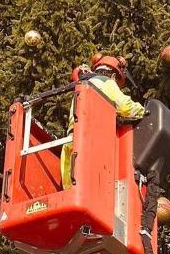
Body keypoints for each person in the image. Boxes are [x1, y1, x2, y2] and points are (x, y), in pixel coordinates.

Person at [60, 56, 145, 189]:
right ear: (113, 76)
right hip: (91, 142)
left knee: (71, 188)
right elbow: (125, 107)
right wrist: (143, 111)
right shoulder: (106, 82)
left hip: (71, 141)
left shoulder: (84, 86)